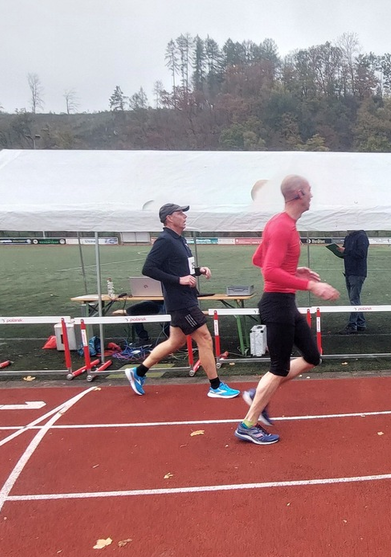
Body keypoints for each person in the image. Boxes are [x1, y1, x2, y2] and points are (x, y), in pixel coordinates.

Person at [235, 175, 340, 445]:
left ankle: (257, 393)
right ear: (298, 193)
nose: (312, 196)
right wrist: (312, 286)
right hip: (277, 303)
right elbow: (269, 269)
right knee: (278, 368)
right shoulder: (282, 226)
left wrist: (295, 270)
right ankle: (248, 424)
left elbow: (258, 258)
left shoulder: (281, 224)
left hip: (285, 303)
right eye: (310, 191)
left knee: (312, 357)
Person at [125, 203, 240, 399]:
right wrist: (179, 280)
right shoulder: (165, 241)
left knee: (175, 342)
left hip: (186, 298)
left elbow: (181, 269)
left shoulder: (179, 240)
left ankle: (138, 372)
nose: (184, 217)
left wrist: (198, 271)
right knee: (204, 338)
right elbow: (148, 269)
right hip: (180, 301)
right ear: (169, 218)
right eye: (180, 214)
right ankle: (215, 386)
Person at [325, 229, 370, 332]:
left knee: (354, 299)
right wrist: (338, 251)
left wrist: (345, 251)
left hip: (357, 272)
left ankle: (352, 325)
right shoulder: (349, 237)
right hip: (349, 271)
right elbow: (346, 253)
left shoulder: (361, 237)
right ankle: (361, 323)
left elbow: (361, 254)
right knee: (354, 299)